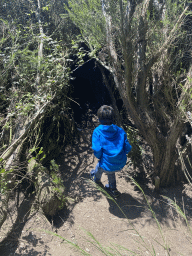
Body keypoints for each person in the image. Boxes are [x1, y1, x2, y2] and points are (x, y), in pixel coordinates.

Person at [90, 105, 132, 197]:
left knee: (100, 167)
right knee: (110, 170)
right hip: (120, 163)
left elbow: (97, 149)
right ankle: (113, 189)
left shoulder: (97, 131)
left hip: (107, 163)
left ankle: (96, 179)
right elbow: (128, 147)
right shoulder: (120, 131)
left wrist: (100, 157)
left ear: (99, 119)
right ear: (113, 118)